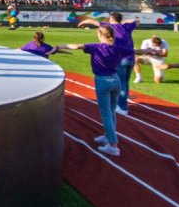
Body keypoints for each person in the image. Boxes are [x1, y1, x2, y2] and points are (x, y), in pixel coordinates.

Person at [52, 26, 126, 156]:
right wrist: (150, 50)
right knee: (112, 111)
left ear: (101, 35)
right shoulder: (118, 48)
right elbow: (136, 51)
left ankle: (113, 145)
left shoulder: (95, 47)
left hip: (103, 81)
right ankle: (107, 136)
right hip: (116, 81)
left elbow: (76, 46)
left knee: (106, 113)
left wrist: (60, 46)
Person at [79, 13, 138, 115]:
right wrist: (126, 21)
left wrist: (84, 21)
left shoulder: (109, 26)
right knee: (125, 83)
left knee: (121, 83)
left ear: (111, 19)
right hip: (131, 58)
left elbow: (94, 22)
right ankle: (122, 103)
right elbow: (137, 21)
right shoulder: (126, 26)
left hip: (121, 58)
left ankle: (122, 107)